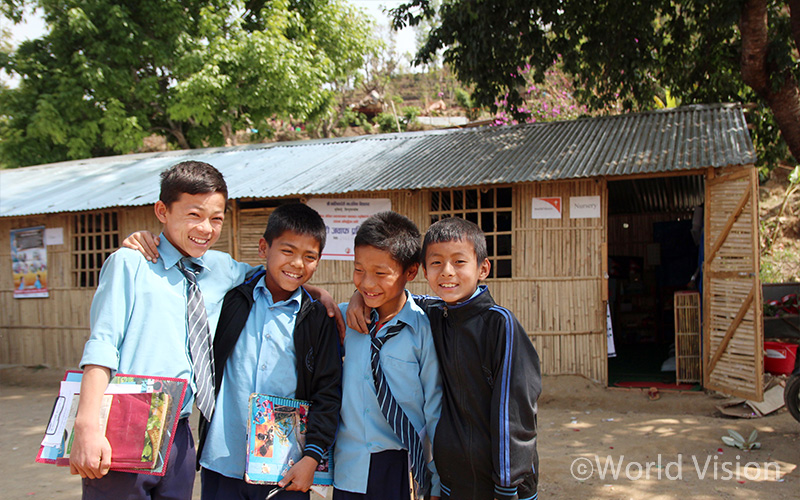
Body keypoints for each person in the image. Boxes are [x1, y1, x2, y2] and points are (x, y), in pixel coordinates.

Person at [70, 161, 258, 500]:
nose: (206, 228)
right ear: (162, 210)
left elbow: (277, 275)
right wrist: (86, 426)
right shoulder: (131, 263)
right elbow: (102, 345)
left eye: (216, 218)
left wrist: (320, 295)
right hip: (126, 420)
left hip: (181, 428)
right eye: (193, 215)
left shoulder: (221, 268)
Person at [348, 217, 541, 500]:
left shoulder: (499, 324)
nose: (447, 272)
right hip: (455, 479)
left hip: (501, 485)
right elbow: (392, 294)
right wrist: (359, 296)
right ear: (423, 270)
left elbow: (514, 412)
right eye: (436, 263)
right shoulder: (436, 314)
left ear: (483, 268)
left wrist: (507, 485)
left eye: (459, 262)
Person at [198, 203, 342, 500]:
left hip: (285, 468)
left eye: (309, 256)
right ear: (264, 247)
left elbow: (328, 392)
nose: (297, 264)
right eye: (287, 251)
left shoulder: (317, 320)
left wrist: (311, 458)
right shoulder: (232, 301)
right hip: (223, 459)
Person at [334, 211, 442, 500]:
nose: (368, 283)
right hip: (349, 464)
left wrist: (436, 476)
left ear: (411, 272)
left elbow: (434, 406)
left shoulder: (423, 330)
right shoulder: (345, 319)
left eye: (381, 274)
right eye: (359, 270)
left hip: (401, 464)